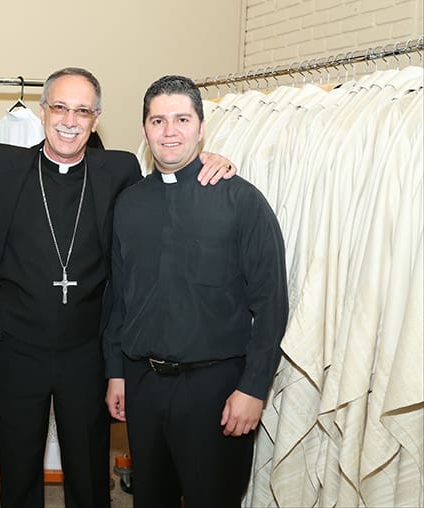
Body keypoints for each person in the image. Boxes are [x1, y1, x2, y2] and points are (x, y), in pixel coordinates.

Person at [0, 67, 236, 508]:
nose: (69, 120)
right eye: (60, 107)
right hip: (18, 350)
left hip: (85, 352)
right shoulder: (0, 164)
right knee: (19, 471)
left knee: (88, 474)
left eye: (82, 111)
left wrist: (212, 158)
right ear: (43, 111)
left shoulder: (118, 169)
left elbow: (168, 185)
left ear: (96, 118)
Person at [103, 75, 289, 508]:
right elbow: (119, 297)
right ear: (145, 129)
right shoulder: (129, 204)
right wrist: (116, 370)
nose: (170, 131)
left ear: (202, 126)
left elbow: (272, 304)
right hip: (143, 384)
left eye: (182, 119)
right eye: (158, 120)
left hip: (216, 390)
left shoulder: (241, 201)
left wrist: (254, 387)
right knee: (150, 497)